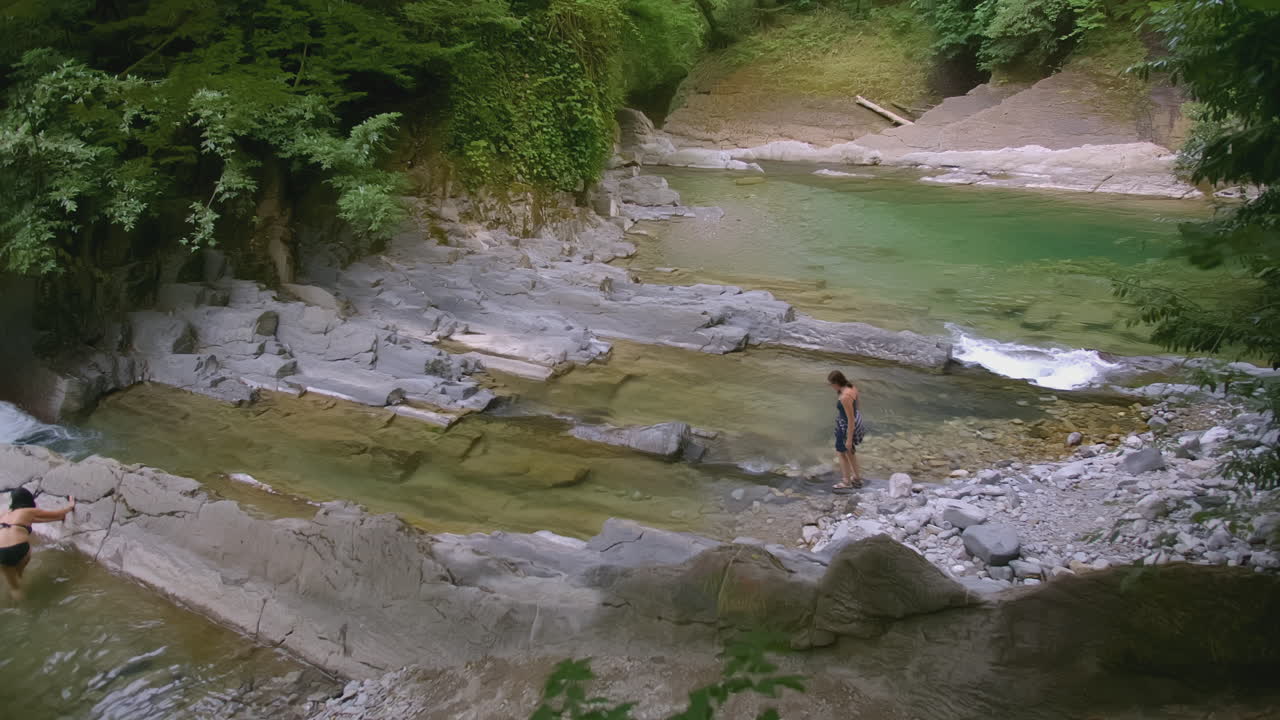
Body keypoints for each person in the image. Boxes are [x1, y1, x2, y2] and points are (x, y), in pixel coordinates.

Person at [1, 488, 75, 601]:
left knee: (14, 586)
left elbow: (33, 520)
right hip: (19, 548)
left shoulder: (4, 514)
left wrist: (59, 517)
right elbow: (59, 513)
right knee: (18, 570)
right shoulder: (28, 511)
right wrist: (70, 504)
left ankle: (13, 601)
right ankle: (24, 610)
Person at [828, 370, 865, 489]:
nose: (831, 387)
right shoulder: (852, 387)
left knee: (841, 452)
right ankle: (857, 478)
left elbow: (850, 420)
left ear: (836, 383)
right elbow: (857, 404)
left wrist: (849, 439)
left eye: (831, 384)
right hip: (852, 421)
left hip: (846, 426)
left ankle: (846, 481)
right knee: (850, 452)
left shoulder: (845, 397)